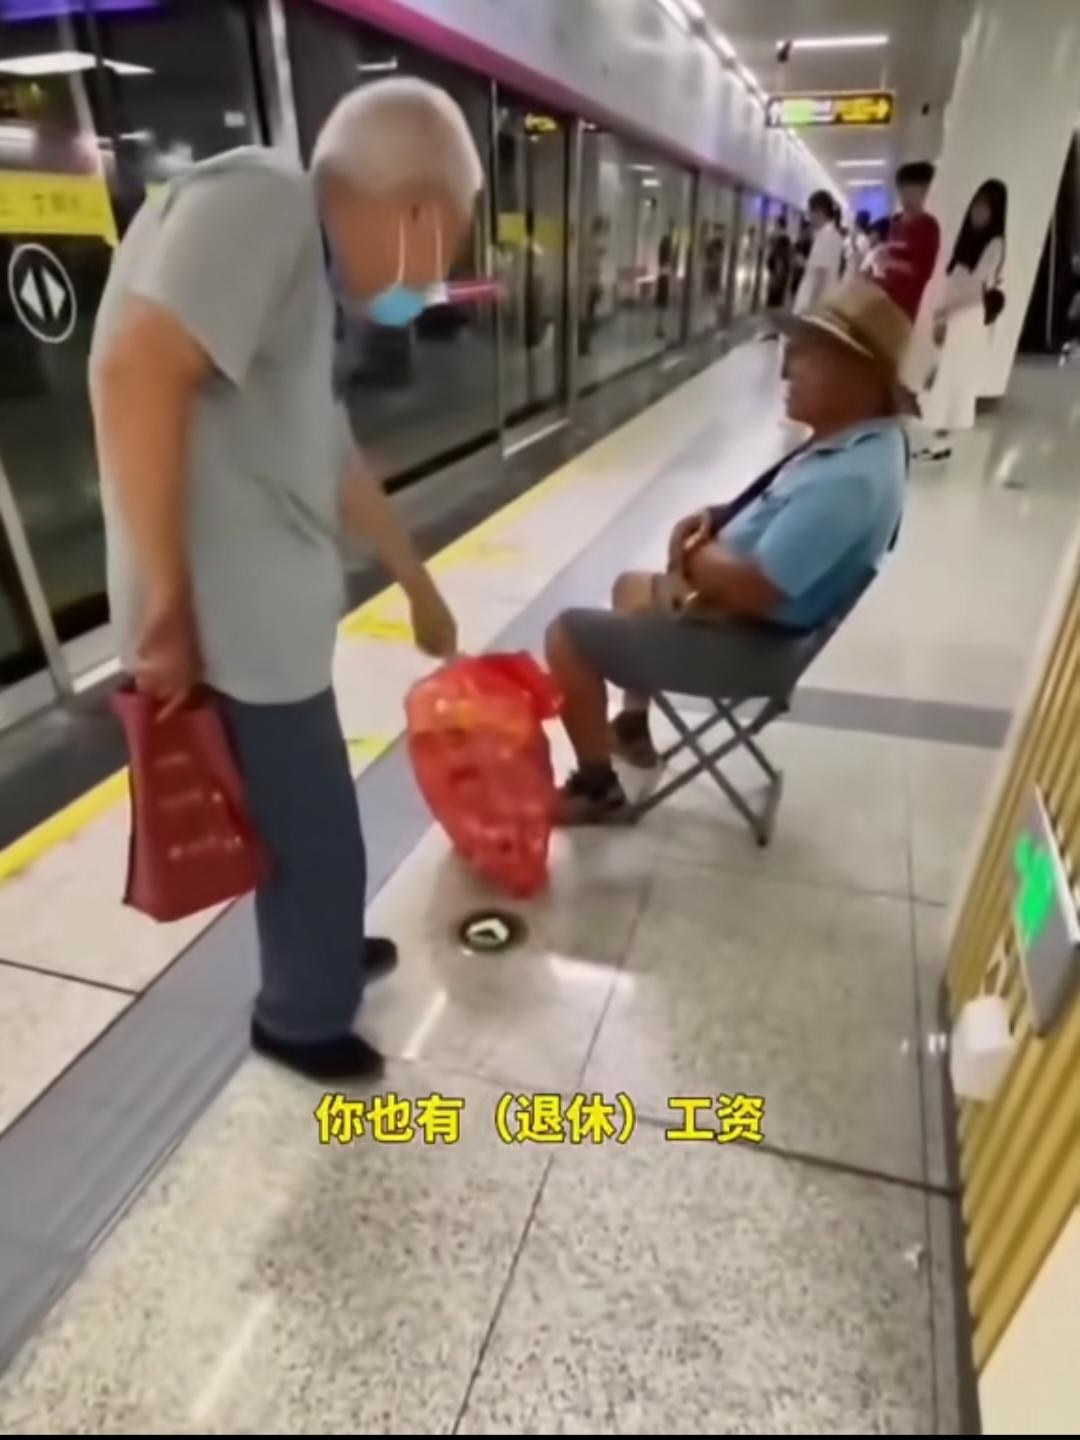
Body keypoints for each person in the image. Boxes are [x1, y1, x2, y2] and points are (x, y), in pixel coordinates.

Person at [89, 79, 485, 1081]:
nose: (440, 275)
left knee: (312, 816)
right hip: (231, 623)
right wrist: (167, 613)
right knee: (314, 834)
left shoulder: (302, 270)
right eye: (451, 242)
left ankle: (323, 944)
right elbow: (138, 372)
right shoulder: (265, 201)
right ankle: (301, 1016)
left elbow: (330, 454)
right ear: (416, 214)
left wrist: (416, 582)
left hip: (266, 620)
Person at [544, 271, 911, 823]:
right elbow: (780, 520)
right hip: (747, 621)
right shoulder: (859, 445)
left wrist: (692, 554)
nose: (785, 370)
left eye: (805, 356)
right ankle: (633, 725)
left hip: (746, 644)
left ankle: (598, 789)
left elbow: (753, 589)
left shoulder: (850, 481)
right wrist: (719, 519)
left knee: (566, 635)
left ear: (861, 375)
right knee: (628, 588)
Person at [918, 178, 1008, 460]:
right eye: (976, 205)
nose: (978, 213)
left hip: (967, 316)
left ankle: (944, 443)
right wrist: (942, 314)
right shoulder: (967, 244)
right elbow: (955, 284)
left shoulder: (994, 244)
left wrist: (945, 311)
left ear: (995, 212)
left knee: (954, 379)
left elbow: (975, 289)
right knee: (946, 376)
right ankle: (940, 441)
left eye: (986, 208)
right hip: (955, 315)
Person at [876, 161, 941, 322]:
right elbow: (889, 265)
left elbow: (923, 271)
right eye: (903, 191)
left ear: (925, 191)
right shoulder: (896, 223)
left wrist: (891, 263)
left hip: (906, 310)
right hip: (885, 301)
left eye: (913, 191)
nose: (906, 198)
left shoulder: (928, 226)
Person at [793, 191, 843, 314]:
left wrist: (811, 311)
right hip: (818, 305)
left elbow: (821, 276)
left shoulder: (827, 236)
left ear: (819, 212)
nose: (809, 217)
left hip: (814, 307)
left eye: (810, 212)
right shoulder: (829, 235)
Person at [765, 215, 793, 309]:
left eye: (776, 223)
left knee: (775, 286)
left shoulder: (781, 237)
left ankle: (773, 305)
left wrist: (778, 269)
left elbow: (779, 255)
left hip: (778, 266)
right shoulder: (785, 237)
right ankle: (776, 305)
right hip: (780, 266)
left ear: (779, 224)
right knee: (778, 286)